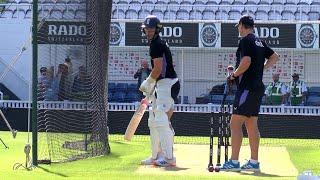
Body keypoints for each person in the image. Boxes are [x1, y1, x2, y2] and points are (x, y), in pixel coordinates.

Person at [220, 15, 279, 172]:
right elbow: (275, 57)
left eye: (239, 26)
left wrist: (233, 75)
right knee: (251, 124)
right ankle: (254, 162)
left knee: (234, 123)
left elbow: (245, 62)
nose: (238, 29)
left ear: (242, 26)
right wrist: (262, 69)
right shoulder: (259, 41)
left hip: (247, 88)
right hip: (257, 87)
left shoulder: (245, 40)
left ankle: (233, 162)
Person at [139, 15, 180, 167]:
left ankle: (169, 158)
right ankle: (155, 155)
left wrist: (148, 82)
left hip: (167, 84)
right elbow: (158, 71)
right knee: (153, 121)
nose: (149, 32)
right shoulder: (156, 43)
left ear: (157, 29)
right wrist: (151, 86)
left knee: (161, 120)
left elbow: (158, 69)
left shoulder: (156, 44)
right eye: (147, 29)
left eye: (151, 29)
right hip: (162, 84)